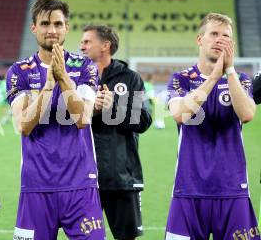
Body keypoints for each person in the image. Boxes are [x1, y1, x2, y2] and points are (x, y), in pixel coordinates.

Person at [6, 0, 105, 240]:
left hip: (80, 184)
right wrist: (50, 83)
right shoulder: (19, 71)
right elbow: (23, 125)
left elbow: (82, 117)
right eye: (45, 24)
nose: (52, 30)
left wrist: (63, 77)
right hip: (36, 185)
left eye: (58, 24)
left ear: (66, 28)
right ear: (34, 28)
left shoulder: (85, 67)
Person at [165, 13, 259, 240]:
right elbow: (180, 114)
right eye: (214, 34)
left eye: (225, 36)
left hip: (233, 189)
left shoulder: (241, 79)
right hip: (188, 189)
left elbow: (247, 114)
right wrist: (213, 78)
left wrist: (228, 72)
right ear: (200, 39)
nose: (219, 40)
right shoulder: (181, 79)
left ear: (232, 44)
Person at [80, 24, 152, 240]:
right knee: (84, 237)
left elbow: (144, 120)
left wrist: (113, 108)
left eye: (87, 41)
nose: (81, 46)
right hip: (83, 176)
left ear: (105, 45)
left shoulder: (130, 78)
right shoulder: (76, 78)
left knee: (126, 236)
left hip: (121, 177)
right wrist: (91, 109)